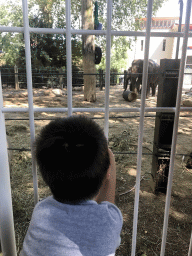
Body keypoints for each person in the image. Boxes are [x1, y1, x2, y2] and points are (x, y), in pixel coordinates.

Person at [20, 115, 123, 256]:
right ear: (106, 173)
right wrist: (111, 165)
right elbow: (108, 205)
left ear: (46, 177)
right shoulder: (109, 222)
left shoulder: (41, 212)